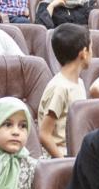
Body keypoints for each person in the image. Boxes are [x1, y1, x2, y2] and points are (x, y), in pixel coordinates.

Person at [38, 23, 90, 158]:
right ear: (84, 53)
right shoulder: (59, 87)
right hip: (60, 157)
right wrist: (65, 163)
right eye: (91, 49)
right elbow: (44, 134)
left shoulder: (79, 82)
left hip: (76, 153)